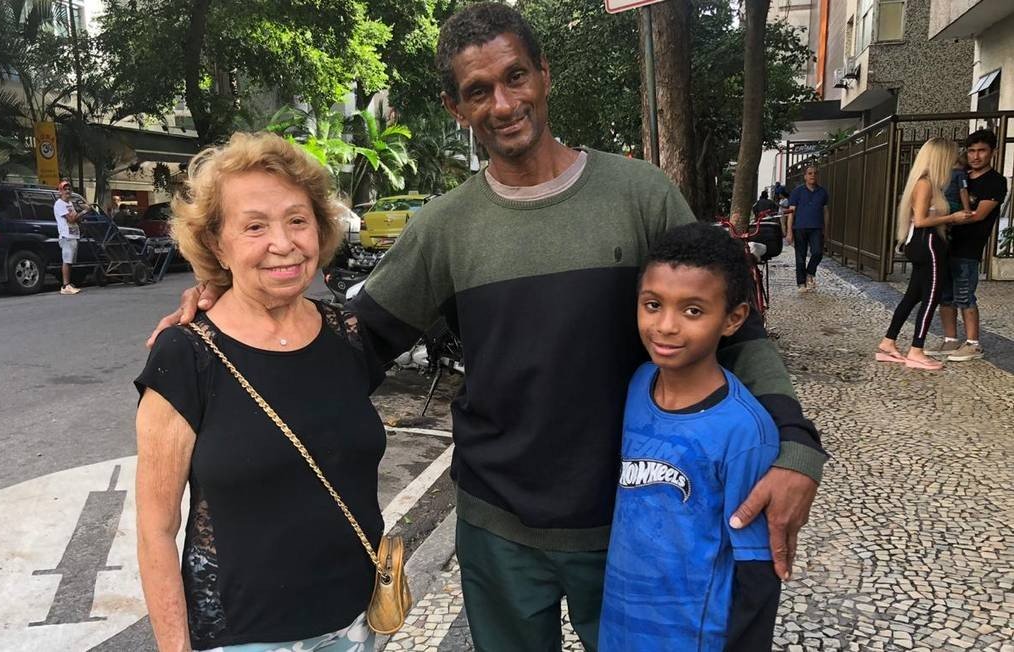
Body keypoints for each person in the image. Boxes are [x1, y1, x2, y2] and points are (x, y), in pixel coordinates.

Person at [151, 4, 826, 649]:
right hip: (497, 528)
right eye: (478, 91)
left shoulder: (641, 196)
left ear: (543, 73)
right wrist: (231, 305)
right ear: (456, 107)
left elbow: (739, 331)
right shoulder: (445, 228)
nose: (502, 104)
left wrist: (795, 446)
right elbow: (348, 347)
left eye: (515, 77)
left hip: (630, 517)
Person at [135, 133, 386, 651]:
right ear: (215, 244)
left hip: (355, 624)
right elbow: (156, 530)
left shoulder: (347, 335)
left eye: (298, 219)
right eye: (254, 226)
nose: (284, 243)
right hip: (243, 639)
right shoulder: (186, 356)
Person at [599, 223, 780, 651]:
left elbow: (756, 569)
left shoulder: (743, 430)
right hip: (620, 626)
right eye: (653, 304)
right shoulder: (636, 386)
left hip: (694, 637)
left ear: (733, 318)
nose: (666, 326)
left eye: (693, 311)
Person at [877, 138, 971, 371]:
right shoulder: (926, 184)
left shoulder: (927, 183)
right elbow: (920, 220)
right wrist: (952, 218)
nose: (955, 161)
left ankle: (889, 342)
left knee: (913, 296)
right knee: (931, 296)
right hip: (927, 242)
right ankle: (916, 350)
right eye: (951, 156)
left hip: (922, 242)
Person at [928, 129, 1009, 362]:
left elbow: (979, 215)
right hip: (946, 244)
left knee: (965, 294)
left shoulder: (995, 182)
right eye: (972, 151)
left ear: (993, 152)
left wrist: (948, 218)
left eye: (982, 151)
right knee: (945, 295)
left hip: (969, 247)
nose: (976, 156)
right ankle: (950, 340)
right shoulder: (958, 174)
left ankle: (973, 344)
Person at [786, 166, 829, 292]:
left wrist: (826, 229)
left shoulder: (822, 192)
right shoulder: (797, 192)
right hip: (800, 228)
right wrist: (789, 231)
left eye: (815, 173)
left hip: (816, 227)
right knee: (800, 257)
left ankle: (810, 272)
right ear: (805, 176)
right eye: (810, 173)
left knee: (817, 253)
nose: (812, 175)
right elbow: (791, 212)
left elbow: (826, 212)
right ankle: (801, 283)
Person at [53, 180, 85, 295]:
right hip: (66, 235)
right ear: (60, 191)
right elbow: (71, 219)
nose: (67, 191)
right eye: (64, 189)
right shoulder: (59, 204)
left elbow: (76, 218)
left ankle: (68, 283)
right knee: (66, 260)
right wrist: (83, 211)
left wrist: (79, 215)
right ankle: (65, 285)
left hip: (73, 234)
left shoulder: (70, 204)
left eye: (68, 189)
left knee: (70, 261)